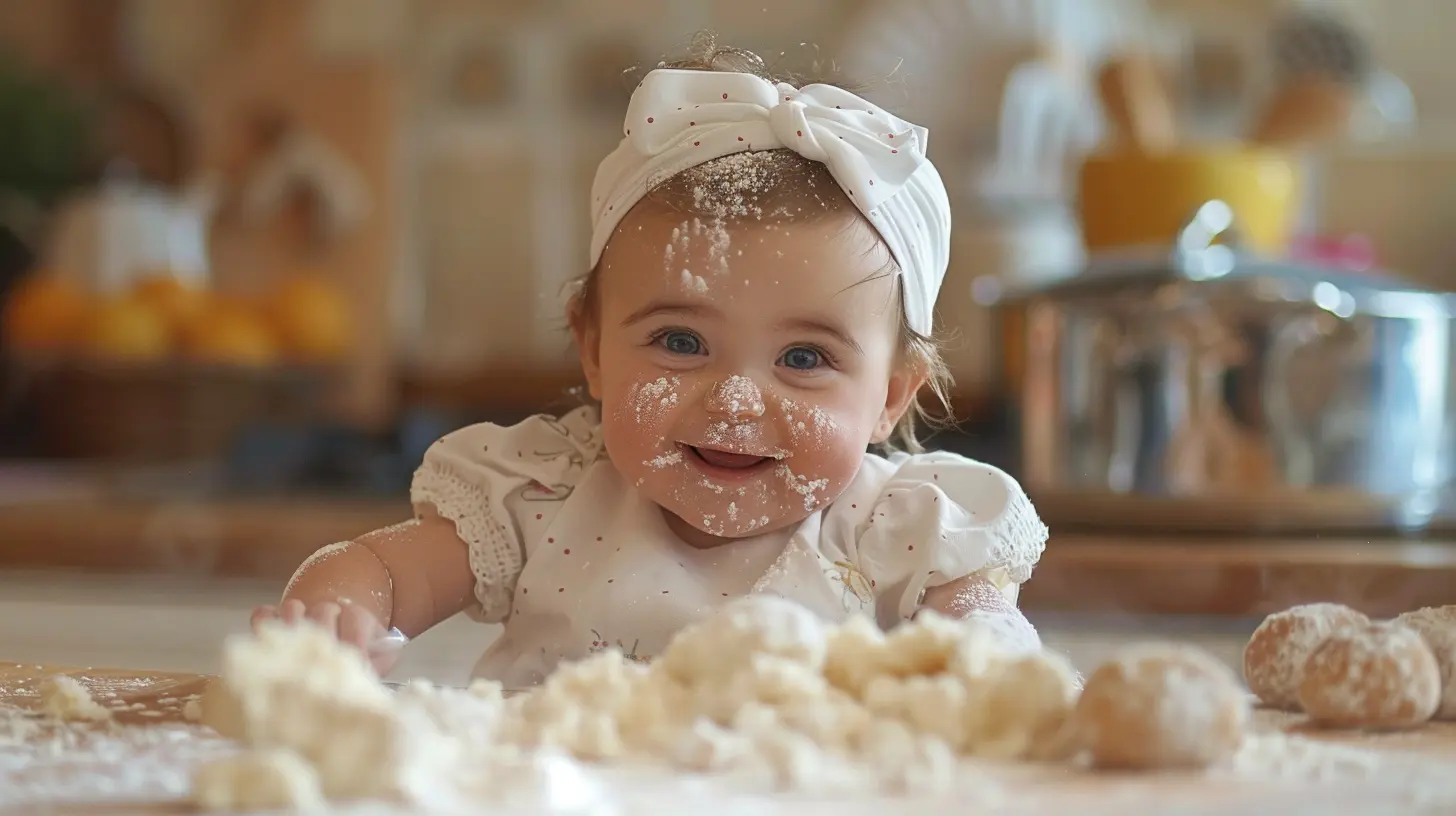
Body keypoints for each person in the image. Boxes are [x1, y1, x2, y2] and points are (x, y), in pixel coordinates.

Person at [253, 44, 1050, 688]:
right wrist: (333, 616)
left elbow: (988, 637)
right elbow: (379, 569)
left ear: (889, 397)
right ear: (593, 349)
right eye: (681, 343)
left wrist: (993, 657)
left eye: (804, 358)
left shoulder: (900, 531)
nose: (736, 399)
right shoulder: (541, 499)